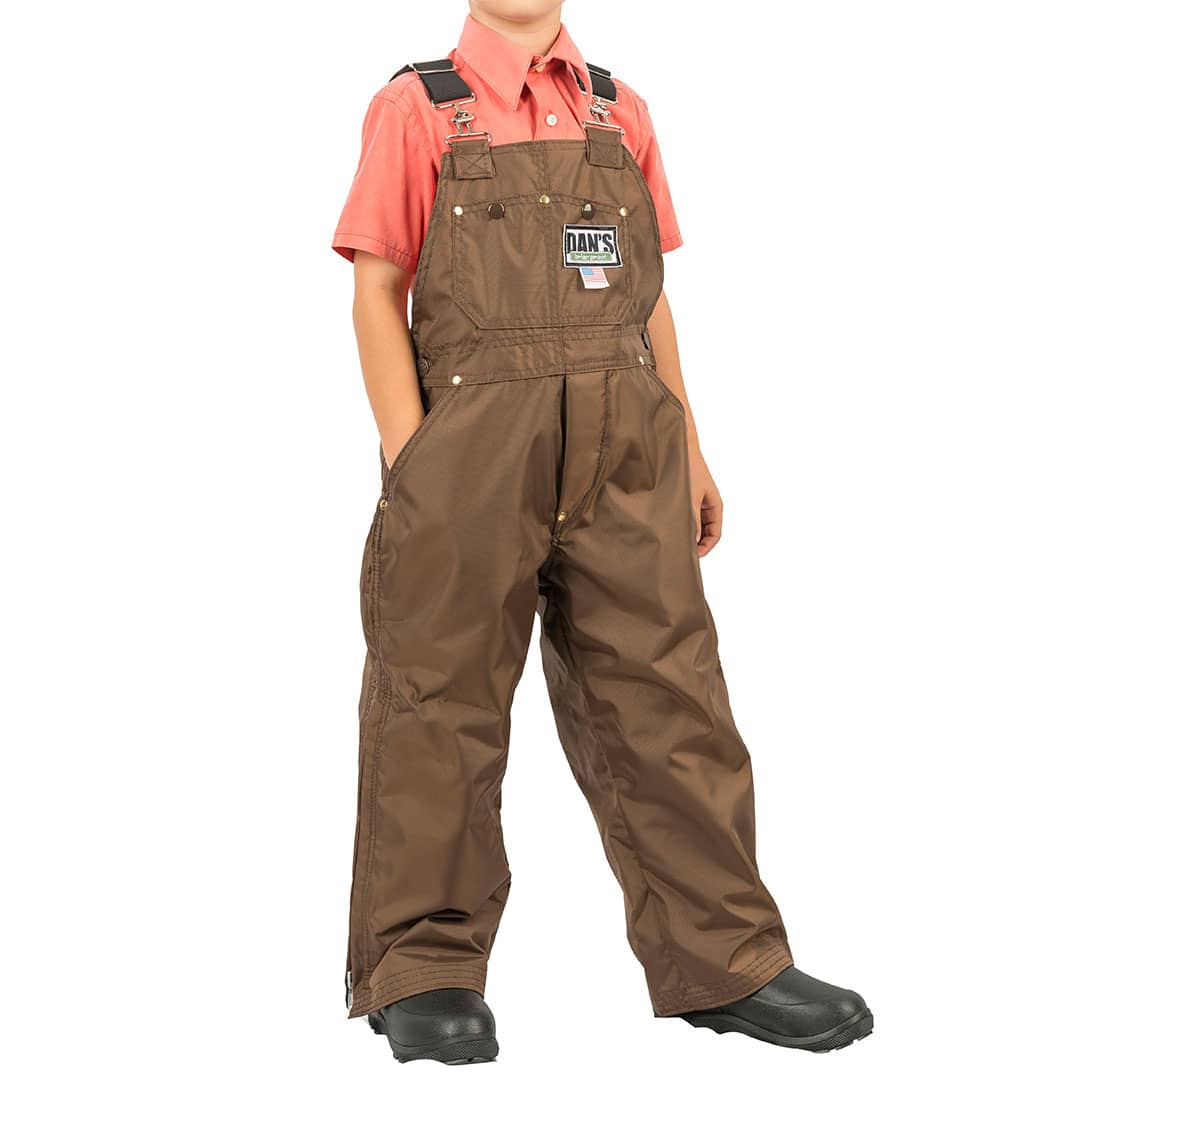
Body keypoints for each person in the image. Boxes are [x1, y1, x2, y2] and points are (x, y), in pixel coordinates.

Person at [331, 1, 872, 1065]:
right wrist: (415, 461)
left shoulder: (622, 114)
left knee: (670, 692)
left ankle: (726, 959)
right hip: (469, 456)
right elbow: (376, 288)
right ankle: (423, 969)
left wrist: (691, 445)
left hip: (629, 447)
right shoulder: (419, 108)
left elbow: (648, 300)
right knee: (440, 699)